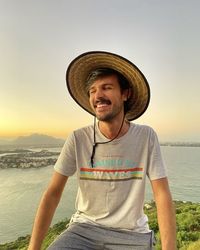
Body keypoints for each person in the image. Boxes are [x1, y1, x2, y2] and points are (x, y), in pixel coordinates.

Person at [28, 51, 177, 250]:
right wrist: (33, 247)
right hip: (83, 230)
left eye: (106, 88)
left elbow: (162, 195)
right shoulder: (78, 138)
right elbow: (53, 193)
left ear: (125, 93)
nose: (97, 96)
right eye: (92, 91)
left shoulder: (146, 137)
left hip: (131, 235)